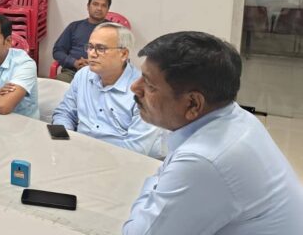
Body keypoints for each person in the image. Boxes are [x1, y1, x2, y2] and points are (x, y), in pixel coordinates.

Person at [123, 31, 303, 234]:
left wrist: (153, 185)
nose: (134, 87)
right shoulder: (237, 117)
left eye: (149, 85)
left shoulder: (203, 160)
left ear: (193, 103)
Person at [52, 22, 166, 159]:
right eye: (90, 47)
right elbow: (63, 112)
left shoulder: (144, 91)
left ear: (123, 54)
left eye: (101, 48)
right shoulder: (83, 75)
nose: (92, 54)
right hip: (79, 153)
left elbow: (136, 150)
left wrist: (90, 156)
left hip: (122, 162)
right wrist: (62, 141)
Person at [52, 0, 111, 83]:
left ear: (108, 9)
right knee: (59, 84)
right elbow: (58, 51)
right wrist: (74, 62)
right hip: (72, 72)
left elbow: (119, 56)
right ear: (88, 6)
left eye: (103, 5)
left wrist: (94, 63)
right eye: (95, 4)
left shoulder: (113, 30)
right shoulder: (74, 27)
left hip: (101, 74)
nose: (99, 8)